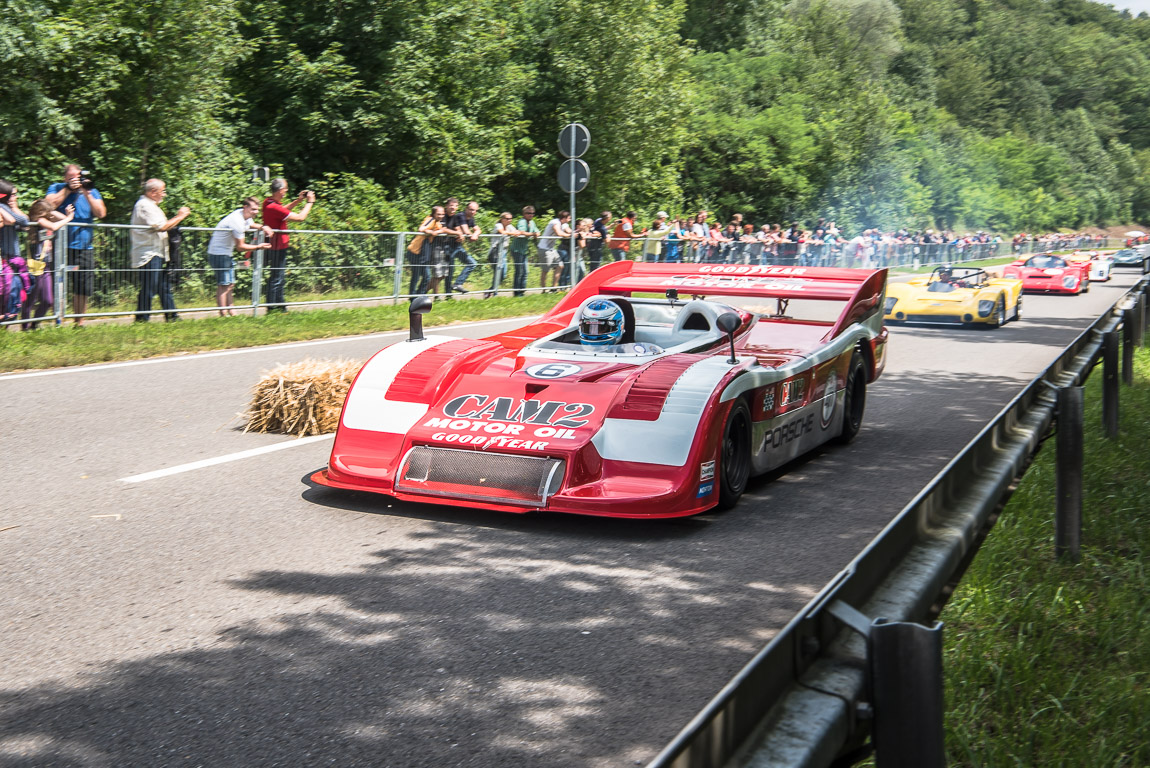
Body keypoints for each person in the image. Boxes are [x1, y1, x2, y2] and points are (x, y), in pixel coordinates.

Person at [43, 164, 106, 326]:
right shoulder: (56, 187)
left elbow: (101, 213)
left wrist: (86, 192)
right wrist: (68, 189)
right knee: (60, 282)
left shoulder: (91, 190)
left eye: (79, 177)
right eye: (72, 177)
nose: (76, 180)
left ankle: (79, 322)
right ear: (65, 178)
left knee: (82, 285)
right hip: (62, 245)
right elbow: (48, 206)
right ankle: (58, 320)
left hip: (85, 246)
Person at [130, 179, 190, 323]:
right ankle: (142, 319)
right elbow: (161, 226)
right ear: (153, 192)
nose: (165, 194)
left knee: (164, 286)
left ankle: (172, 316)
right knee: (149, 288)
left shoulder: (151, 205)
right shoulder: (144, 205)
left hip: (157, 252)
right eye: (163, 191)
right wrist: (180, 216)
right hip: (149, 254)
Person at [206, 197, 272, 316]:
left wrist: (263, 227)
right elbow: (240, 247)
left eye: (257, 209)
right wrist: (259, 247)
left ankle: (232, 312)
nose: (256, 212)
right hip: (219, 253)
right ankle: (223, 314)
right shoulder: (237, 221)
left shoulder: (243, 215)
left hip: (225, 253)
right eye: (253, 209)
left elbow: (252, 225)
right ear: (245, 207)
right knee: (224, 285)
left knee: (230, 284)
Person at [261, 179, 315, 313]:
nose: (287, 191)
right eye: (286, 189)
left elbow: (282, 211)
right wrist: (310, 202)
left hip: (275, 245)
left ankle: (281, 307)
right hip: (277, 246)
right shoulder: (273, 206)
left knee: (278, 277)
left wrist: (298, 201)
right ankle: (273, 308)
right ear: (280, 191)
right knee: (277, 278)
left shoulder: (268, 202)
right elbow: (300, 217)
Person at [21, 199, 74, 329]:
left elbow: (61, 218)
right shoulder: (40, 221)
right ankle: (25, 327)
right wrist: (69, 217)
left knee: (48, 300)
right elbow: (55, 226)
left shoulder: (46, 218)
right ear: (41, 213)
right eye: (48, 212)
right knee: (30, 300)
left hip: (46, 266)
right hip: (35, 266)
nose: (51, 215)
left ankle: (34, 324)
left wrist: (60, 213)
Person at [577, 298, 662, 354]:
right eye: (589, 328)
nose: (594, 335)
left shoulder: (634, 353)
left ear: (620, 327)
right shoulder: (575, 351)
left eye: (601, 328)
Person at [0, 181, 31, 323]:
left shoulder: (6, 207)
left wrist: (15, 208)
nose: (15, 198)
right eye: (13, 195)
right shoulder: (2, 207)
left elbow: (25, 224)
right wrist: (15, 210)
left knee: (12, 292)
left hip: (12, 259)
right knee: (6, 293)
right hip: (6, 257)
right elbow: (21, 221)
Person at [444, 198, 479, 294]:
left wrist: (475, 234)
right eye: (471, 209)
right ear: (466, 209)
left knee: (472, 263)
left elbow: (477, 229)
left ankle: (457, 284)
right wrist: (466, 234)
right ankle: (448, 295)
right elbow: (465, 230)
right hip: (448, 246)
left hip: (457, 246)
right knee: (450, 271)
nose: (473, 212)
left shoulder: (470, 218)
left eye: (475, 210)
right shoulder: (460, 215)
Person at [485, 212, 519, 298]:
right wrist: (513, 234)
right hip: (495, 252)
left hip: (503, 252)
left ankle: (490, 290)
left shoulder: (509, 227)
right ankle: (494, 293)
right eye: (507, 219)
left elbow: (516, 232)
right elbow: (502, 232)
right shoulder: (498, 225)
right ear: (502, 219)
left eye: (510, 219)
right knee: (498, 272)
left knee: (503, 274)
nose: (509, 220)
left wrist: (517, 233)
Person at [538, 210, 571, 291]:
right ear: (564, 218)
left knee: (560, 266)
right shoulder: (555, 222)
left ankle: (554, 288)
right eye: (569, 218)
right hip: (544, 248)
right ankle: (544, 290)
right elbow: (559, 233)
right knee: (545, 270)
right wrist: (570, 235)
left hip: (551, 249)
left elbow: (569, 231)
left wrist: (576, 233)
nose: (570, 220)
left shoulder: (564, 224)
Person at [510, 206, 539, 296]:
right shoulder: (522, 221)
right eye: (529, 213)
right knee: (519, 271)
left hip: (524, 250)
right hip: (517, 249)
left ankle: (522, 291)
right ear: (524, 214)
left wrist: (536, 233)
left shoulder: (532, 222)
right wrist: (532, 234)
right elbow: (521, 231)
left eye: (532, 213)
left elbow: (537, 232)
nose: (531, 215)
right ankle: (517, 291)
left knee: (525, 271)